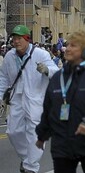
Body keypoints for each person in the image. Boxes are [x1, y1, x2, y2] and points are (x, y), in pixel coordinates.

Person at [35, 31, 85, 173]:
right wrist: (42, 136)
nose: (67, 49)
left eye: (73, 46)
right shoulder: (57, 78)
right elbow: (48, 109)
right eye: (67, 45)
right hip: (62, 145)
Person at [0, 25, 59, 173]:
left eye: (19, 38)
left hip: (36, 99)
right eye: (14, 38)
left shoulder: (41, 54)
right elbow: (4, 78)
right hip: (17, 99)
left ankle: (30, 166)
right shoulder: (9, 56)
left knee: (35, 132)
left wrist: (46, 70)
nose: (16, 41)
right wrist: (1, 97)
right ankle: (26, 158)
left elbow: (56, 73)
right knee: (13, 131)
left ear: (27, 39)